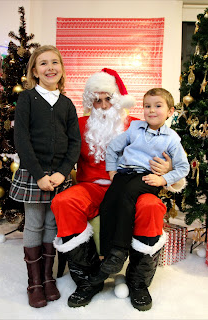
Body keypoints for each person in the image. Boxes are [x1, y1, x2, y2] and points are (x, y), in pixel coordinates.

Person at [51, 68, 185, 311]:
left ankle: (138, 281)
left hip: (132, 188)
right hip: (90, 187)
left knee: (153, 207)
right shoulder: (79, 125)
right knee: (64, 202)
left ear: (118, 100)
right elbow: (62, 155)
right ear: (90, 102)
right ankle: (88, 279)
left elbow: (172, 160)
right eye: (97, 100)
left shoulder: (138, 125)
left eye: (108, 99)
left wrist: (167, 171)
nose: (102, 106)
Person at [89, 88, 190, 287]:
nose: (151, 110)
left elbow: (183, 167)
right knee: (108, 203)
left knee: (128, 197)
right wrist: (111, 171)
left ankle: (120, 250)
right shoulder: (134, 128)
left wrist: (164, 179)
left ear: (170, 112)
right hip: (124, 173)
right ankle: (108, 257)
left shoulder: (171, 139)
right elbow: (113, 148)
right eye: (147, 106)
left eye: (158, 106)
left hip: (147, 177)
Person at [9, 45, 81, 308]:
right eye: (43, 63)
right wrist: (39, 174)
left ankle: (48, 278)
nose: (50, 67)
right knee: (35, 224)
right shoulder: (28, 99)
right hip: (33, 174)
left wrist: (63, 172)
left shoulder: (66, 103)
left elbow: (75, 142)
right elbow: (22, 139)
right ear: (34, 71)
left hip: (60, 177)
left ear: (61, 69)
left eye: (55, 63)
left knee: (53, 225)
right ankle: (34, 282)